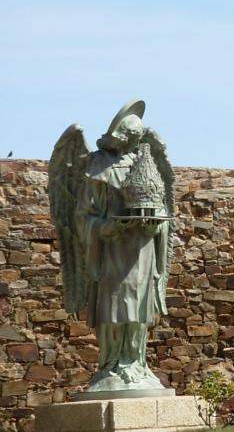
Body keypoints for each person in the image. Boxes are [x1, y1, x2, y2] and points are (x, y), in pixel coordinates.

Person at [50, 99, 173, 393]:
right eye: (130, 137)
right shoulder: (97, 166)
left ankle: (137, 364)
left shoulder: (145, 163)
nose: (134, 143)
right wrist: (110, 225)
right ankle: (112, 365)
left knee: (140, 310)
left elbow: (162, 205)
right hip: (111, 251)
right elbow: (83, 216)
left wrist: (156, 222)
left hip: (142, 250)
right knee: (115, 309)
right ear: (119, 135)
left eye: (138, 139)